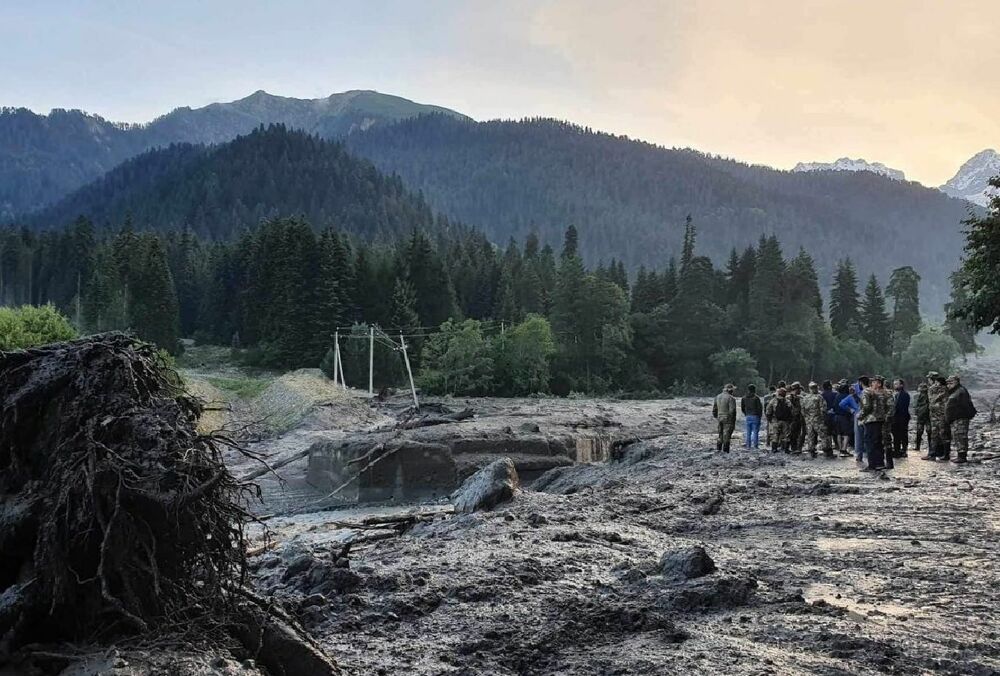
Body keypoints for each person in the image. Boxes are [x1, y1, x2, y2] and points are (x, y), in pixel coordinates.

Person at [859, 375, 891, 471]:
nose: (872, 383)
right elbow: (889, 407)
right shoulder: (886, 393)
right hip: (880, 420)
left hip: (870, 420)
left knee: (870, 443)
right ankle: (880, 463)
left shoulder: (868, 392)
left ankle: (872, 464)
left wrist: (860, 416)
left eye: (874, 382)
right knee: (878, 442)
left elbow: (866, 407)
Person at [944, 375, 977, 464]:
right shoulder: (955, 391)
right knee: (957, 436)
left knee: (961, 436)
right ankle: (960, 455)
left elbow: (965, 405)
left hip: (960, 417)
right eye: (948, 383)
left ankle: (962, 456)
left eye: (951, 383)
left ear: (957, 382)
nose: (949, 385)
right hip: (956, 418)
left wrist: (963, 415)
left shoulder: (960, 391)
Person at [923, 373, 950, 461]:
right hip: (936, 416)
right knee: (937, 435)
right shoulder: (944, 389)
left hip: (939, 416)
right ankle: (937, 454)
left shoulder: (935, 389)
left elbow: (932, 402)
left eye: (929, 379)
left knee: (941, 435)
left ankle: (940, 454)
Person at [800, 382, 826, 458]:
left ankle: (811, 450)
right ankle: (826, 450)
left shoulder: (805, 398)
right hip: (818, 420)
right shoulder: (819, 397)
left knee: (810, 436)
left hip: (808, 420)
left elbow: (802, 410)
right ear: (816, 388)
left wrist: (807, 418)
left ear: (809, 389)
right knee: (823, 435)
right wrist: (822, 418)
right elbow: (823, 409)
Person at [713, 383, 737, 453]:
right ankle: (725, 451)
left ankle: (718, 449)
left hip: (719, 417)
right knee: (727, 435)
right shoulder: (731, 398)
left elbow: (714, 409)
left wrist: (716, 416)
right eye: (732, 390)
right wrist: (733, 419)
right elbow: (732, 410)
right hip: (728, 418)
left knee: (720, 434)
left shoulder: (717, 396)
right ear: (730, 390)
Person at [766, 387, 792, 452]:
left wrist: (769, 419)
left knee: (775, 435)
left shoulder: (773, 400)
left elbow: (768, 411)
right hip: (785, 421)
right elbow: (791, 411)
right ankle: (786, 449)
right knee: (786, 435)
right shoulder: (787, 401)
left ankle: (774, 449)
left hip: (776, 420)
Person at [890, 379, 911, 458]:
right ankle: (896, 451)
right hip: (894, 418)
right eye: (894, 384)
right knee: (895, 435)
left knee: (903, 435)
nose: (895, 385)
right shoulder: (893, 394)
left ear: (901, 385)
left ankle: (904, 450)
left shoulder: (905, 395)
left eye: (896, 384)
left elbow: (903, 408)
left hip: (902, 418)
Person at [833, 381, 854, 456]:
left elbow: (834, 406)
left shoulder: (837, 396)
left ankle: (840, 449)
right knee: (846, 434)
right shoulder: (848, 397)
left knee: (838, 433)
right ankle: (844, 449)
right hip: (845, 417)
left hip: (836, 417)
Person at [741, 384, 763, 450]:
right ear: (754, 390)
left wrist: (746, 413)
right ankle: (755, 446)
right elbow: (759, 408)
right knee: (755, 432)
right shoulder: (756, 398)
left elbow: (742, 408)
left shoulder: (744, 398)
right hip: (755, 416)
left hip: (748, 416)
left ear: (748, 389)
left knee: (748, 432)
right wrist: (760, 416)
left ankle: (748, 446)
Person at [820, 380, 838, 456]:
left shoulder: (821, 395)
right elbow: (837, 404)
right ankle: (837, 445)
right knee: (835, 431)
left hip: (825, 415)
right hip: (834, 414)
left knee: (826, 432)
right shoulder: (835, 394)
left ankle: (827, 447)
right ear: (829, 386)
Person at [913, 382, 930, 453]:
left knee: (927, 432)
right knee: (920, 432)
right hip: (923, 416)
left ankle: (918, 446)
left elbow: (915, 406)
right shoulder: (918, 396)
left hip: (926, 416)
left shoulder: (928, 395)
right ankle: (918, 446)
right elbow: (915, 406)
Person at [788, 382, 804, 453]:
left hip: (793, 418)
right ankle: (796, 447)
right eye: (799, 389)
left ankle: (794, 447)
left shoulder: (788, 398)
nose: (800, 390)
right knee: (796, 433)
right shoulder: (801, 398)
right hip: (796, 418)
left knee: (794, 433)